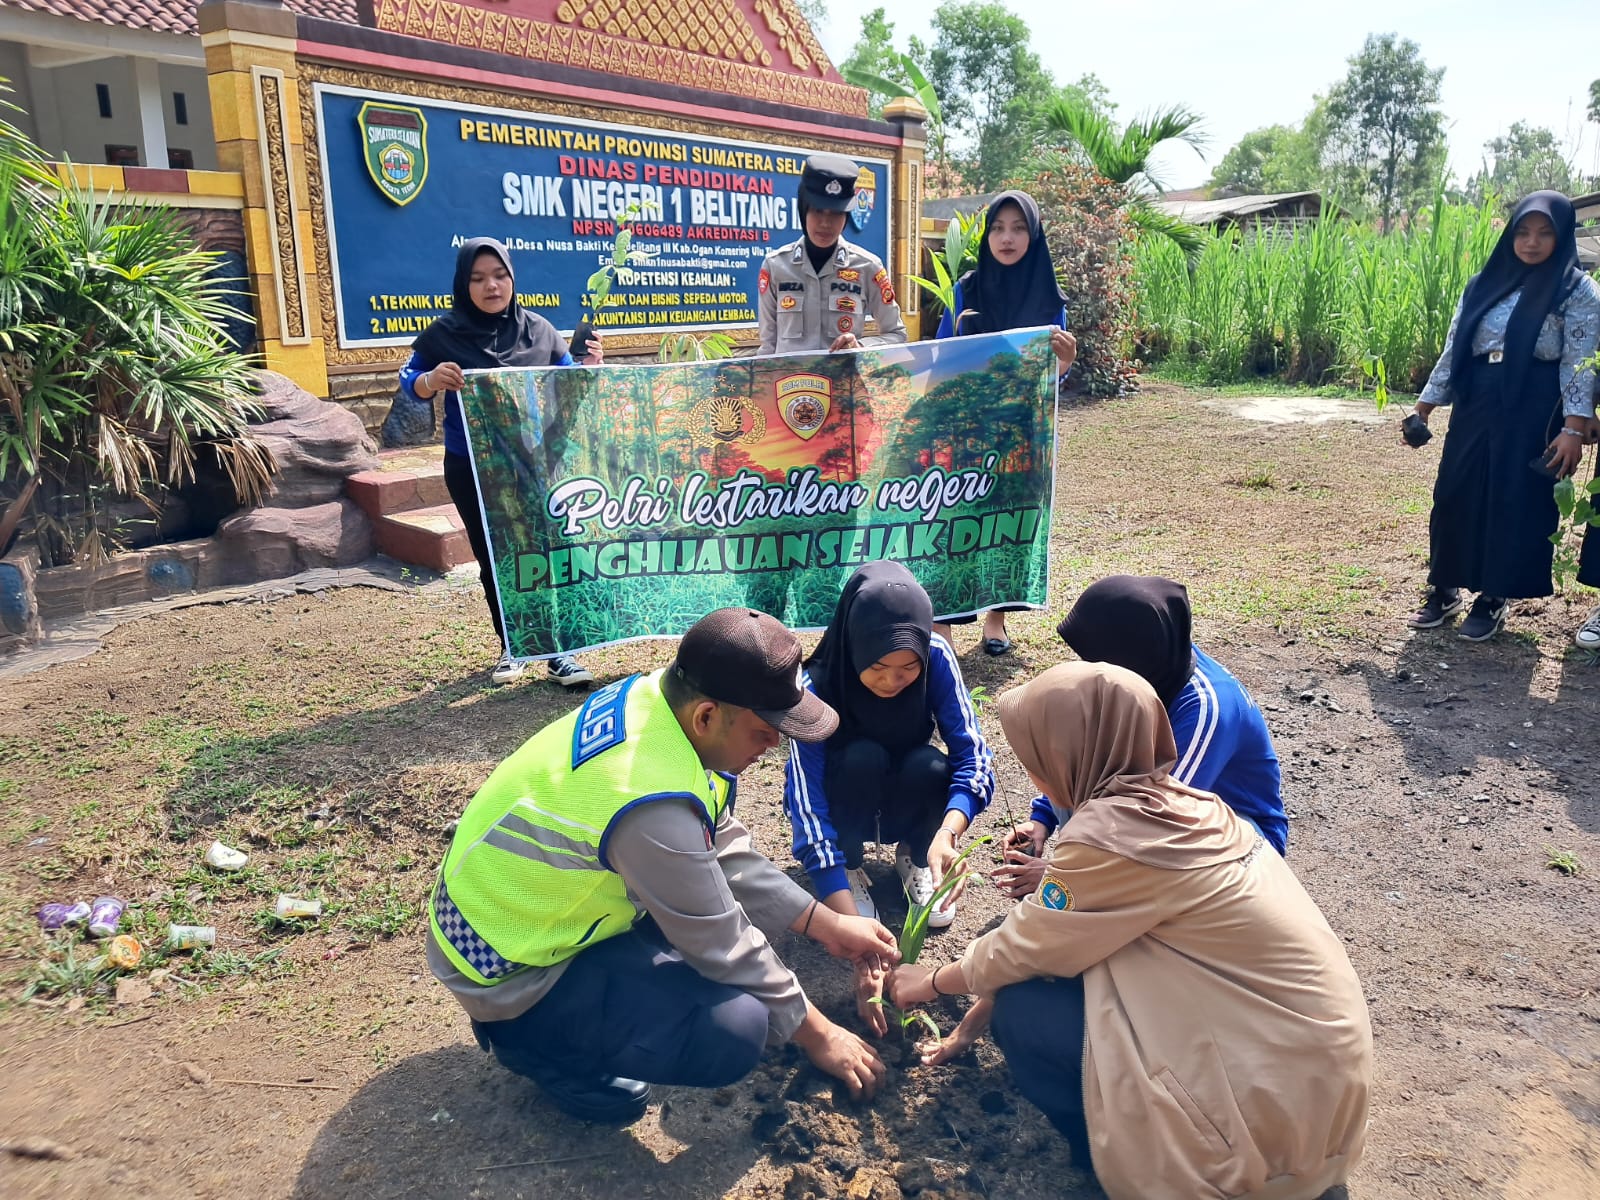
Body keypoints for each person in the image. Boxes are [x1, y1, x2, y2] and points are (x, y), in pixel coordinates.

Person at [890, 662, 1372, 1200]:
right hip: (1316, 1088)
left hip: (1264, 1121)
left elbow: (1025, 951)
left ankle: (1138, 1166)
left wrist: (929, 980)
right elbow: (1042, 940)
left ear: (1075, 753)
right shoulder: (1191, 807)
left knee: (1027, 1012)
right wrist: (964, 1029)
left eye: (1036, 758)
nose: (1034, 774)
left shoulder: (1107, 836)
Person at [427, 608, 897, 1124]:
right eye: (765, 732)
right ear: (708, 716)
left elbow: (715, 844)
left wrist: (825, 923)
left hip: (540, 917)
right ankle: (530, 1043)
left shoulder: (661, 704)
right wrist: (820, 1034)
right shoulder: (648, 797)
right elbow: (721, 941)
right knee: (735, 1029)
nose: (773, 748)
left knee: (714, 964)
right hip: (509, 968)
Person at [782, 563, 993, 1032]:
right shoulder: (816, 684)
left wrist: (948, 832)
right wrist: (844, 921)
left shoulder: (936, 653)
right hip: (849, 793)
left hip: (906, 784)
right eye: (878, 667)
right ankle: (851, 867)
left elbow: (973, 754)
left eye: (907, 669)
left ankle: (917, 857)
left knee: (930, 764)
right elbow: (806, 802)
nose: (892, 681)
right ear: (855, 646)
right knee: (859, 755)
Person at [994, 574, 1288, 904]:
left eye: (1095, 659)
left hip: (1232, 844)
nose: (1089, 669)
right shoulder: (1155, 660)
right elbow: (1085, 757)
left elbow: (1153, 820)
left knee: (1117, 872)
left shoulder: (1207, 709)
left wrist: (1059, 878)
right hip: (1162, 822)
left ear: (1126, 656)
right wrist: (1041, 820)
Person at [1404, 192, 1600, 642]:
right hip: (1479, 395)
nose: (1532, 242)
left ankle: (1495, 595)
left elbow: (1577, 360)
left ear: (1562, 234)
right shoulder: (1484, 283)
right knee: (1456, 490)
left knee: (1515, 496)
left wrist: (1572, 426)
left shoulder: (1576, 289)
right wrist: (1424, 408)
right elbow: (1456, 347)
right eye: (1523, 232)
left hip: (1535, 398)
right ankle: (1445, 586)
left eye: (1545, 232)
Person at [403, 237, 598, 687]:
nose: (491, 286)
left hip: (536, 463)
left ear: (512, 278)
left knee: (548, 551)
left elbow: (570, 382)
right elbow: (410, 379)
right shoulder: (443, 335)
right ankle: (514, 644)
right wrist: (431, 380)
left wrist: (589, 367)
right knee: (495, 555)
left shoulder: (540, 331)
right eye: (478, 278)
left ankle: (562, 652)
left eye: (499, 275)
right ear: (462, 284)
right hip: (472, 466)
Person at [931, 190, 1078, 656]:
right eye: (998, 227)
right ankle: (946, 624)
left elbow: (1052, 378)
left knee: (1008, 522)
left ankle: (996, 621)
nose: (1007, 237)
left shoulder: (1051, 301)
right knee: (958, 521)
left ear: (1033, 236)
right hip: (967, 430)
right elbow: (940, 356)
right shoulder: (965, 291)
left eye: (1018, 228)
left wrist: (1066, 363)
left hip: (1022, 430)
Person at [756, 153, 907, 356]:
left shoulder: (868, 267)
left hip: (843, 385)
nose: (826, 223)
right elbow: (768, 347)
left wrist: (860, 346)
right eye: (818, 211)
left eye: (836, 213)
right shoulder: (775, 266)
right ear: (803, 210)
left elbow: (897, 335)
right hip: (791, 386)